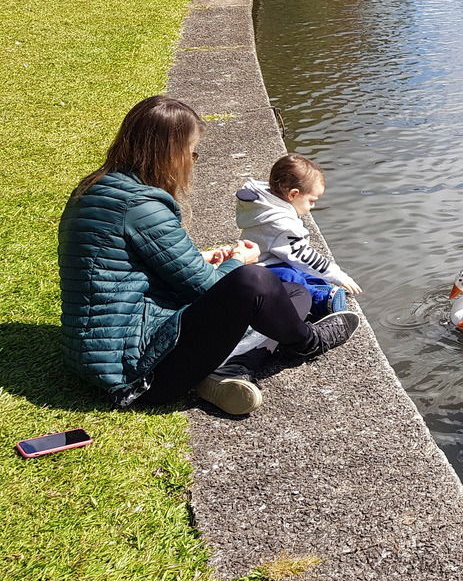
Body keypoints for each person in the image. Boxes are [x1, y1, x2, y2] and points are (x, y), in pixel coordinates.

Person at [58, 96, 360, 415]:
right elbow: (204, 288)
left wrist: (200, 257)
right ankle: (307, 342)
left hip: (100, 352)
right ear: (170, 152)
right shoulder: (141, 207)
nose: (193, 159)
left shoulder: (97, 189)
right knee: (257, 281)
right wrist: (237, 262)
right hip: (135, 372)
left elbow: (126, 268)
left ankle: (229, 369)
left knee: (292, 293)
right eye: (192, 152)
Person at [235, 154, 363, 320]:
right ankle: (322, 301)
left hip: (273, 259)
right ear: (293, 194)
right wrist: (337, 275)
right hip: (261, 268)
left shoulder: (266, 203)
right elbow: (305, 256)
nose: (312, 206)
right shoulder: (280, 224)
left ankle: (325, 290)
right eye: (311, 201)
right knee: (290, 277)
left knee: (304, 273)